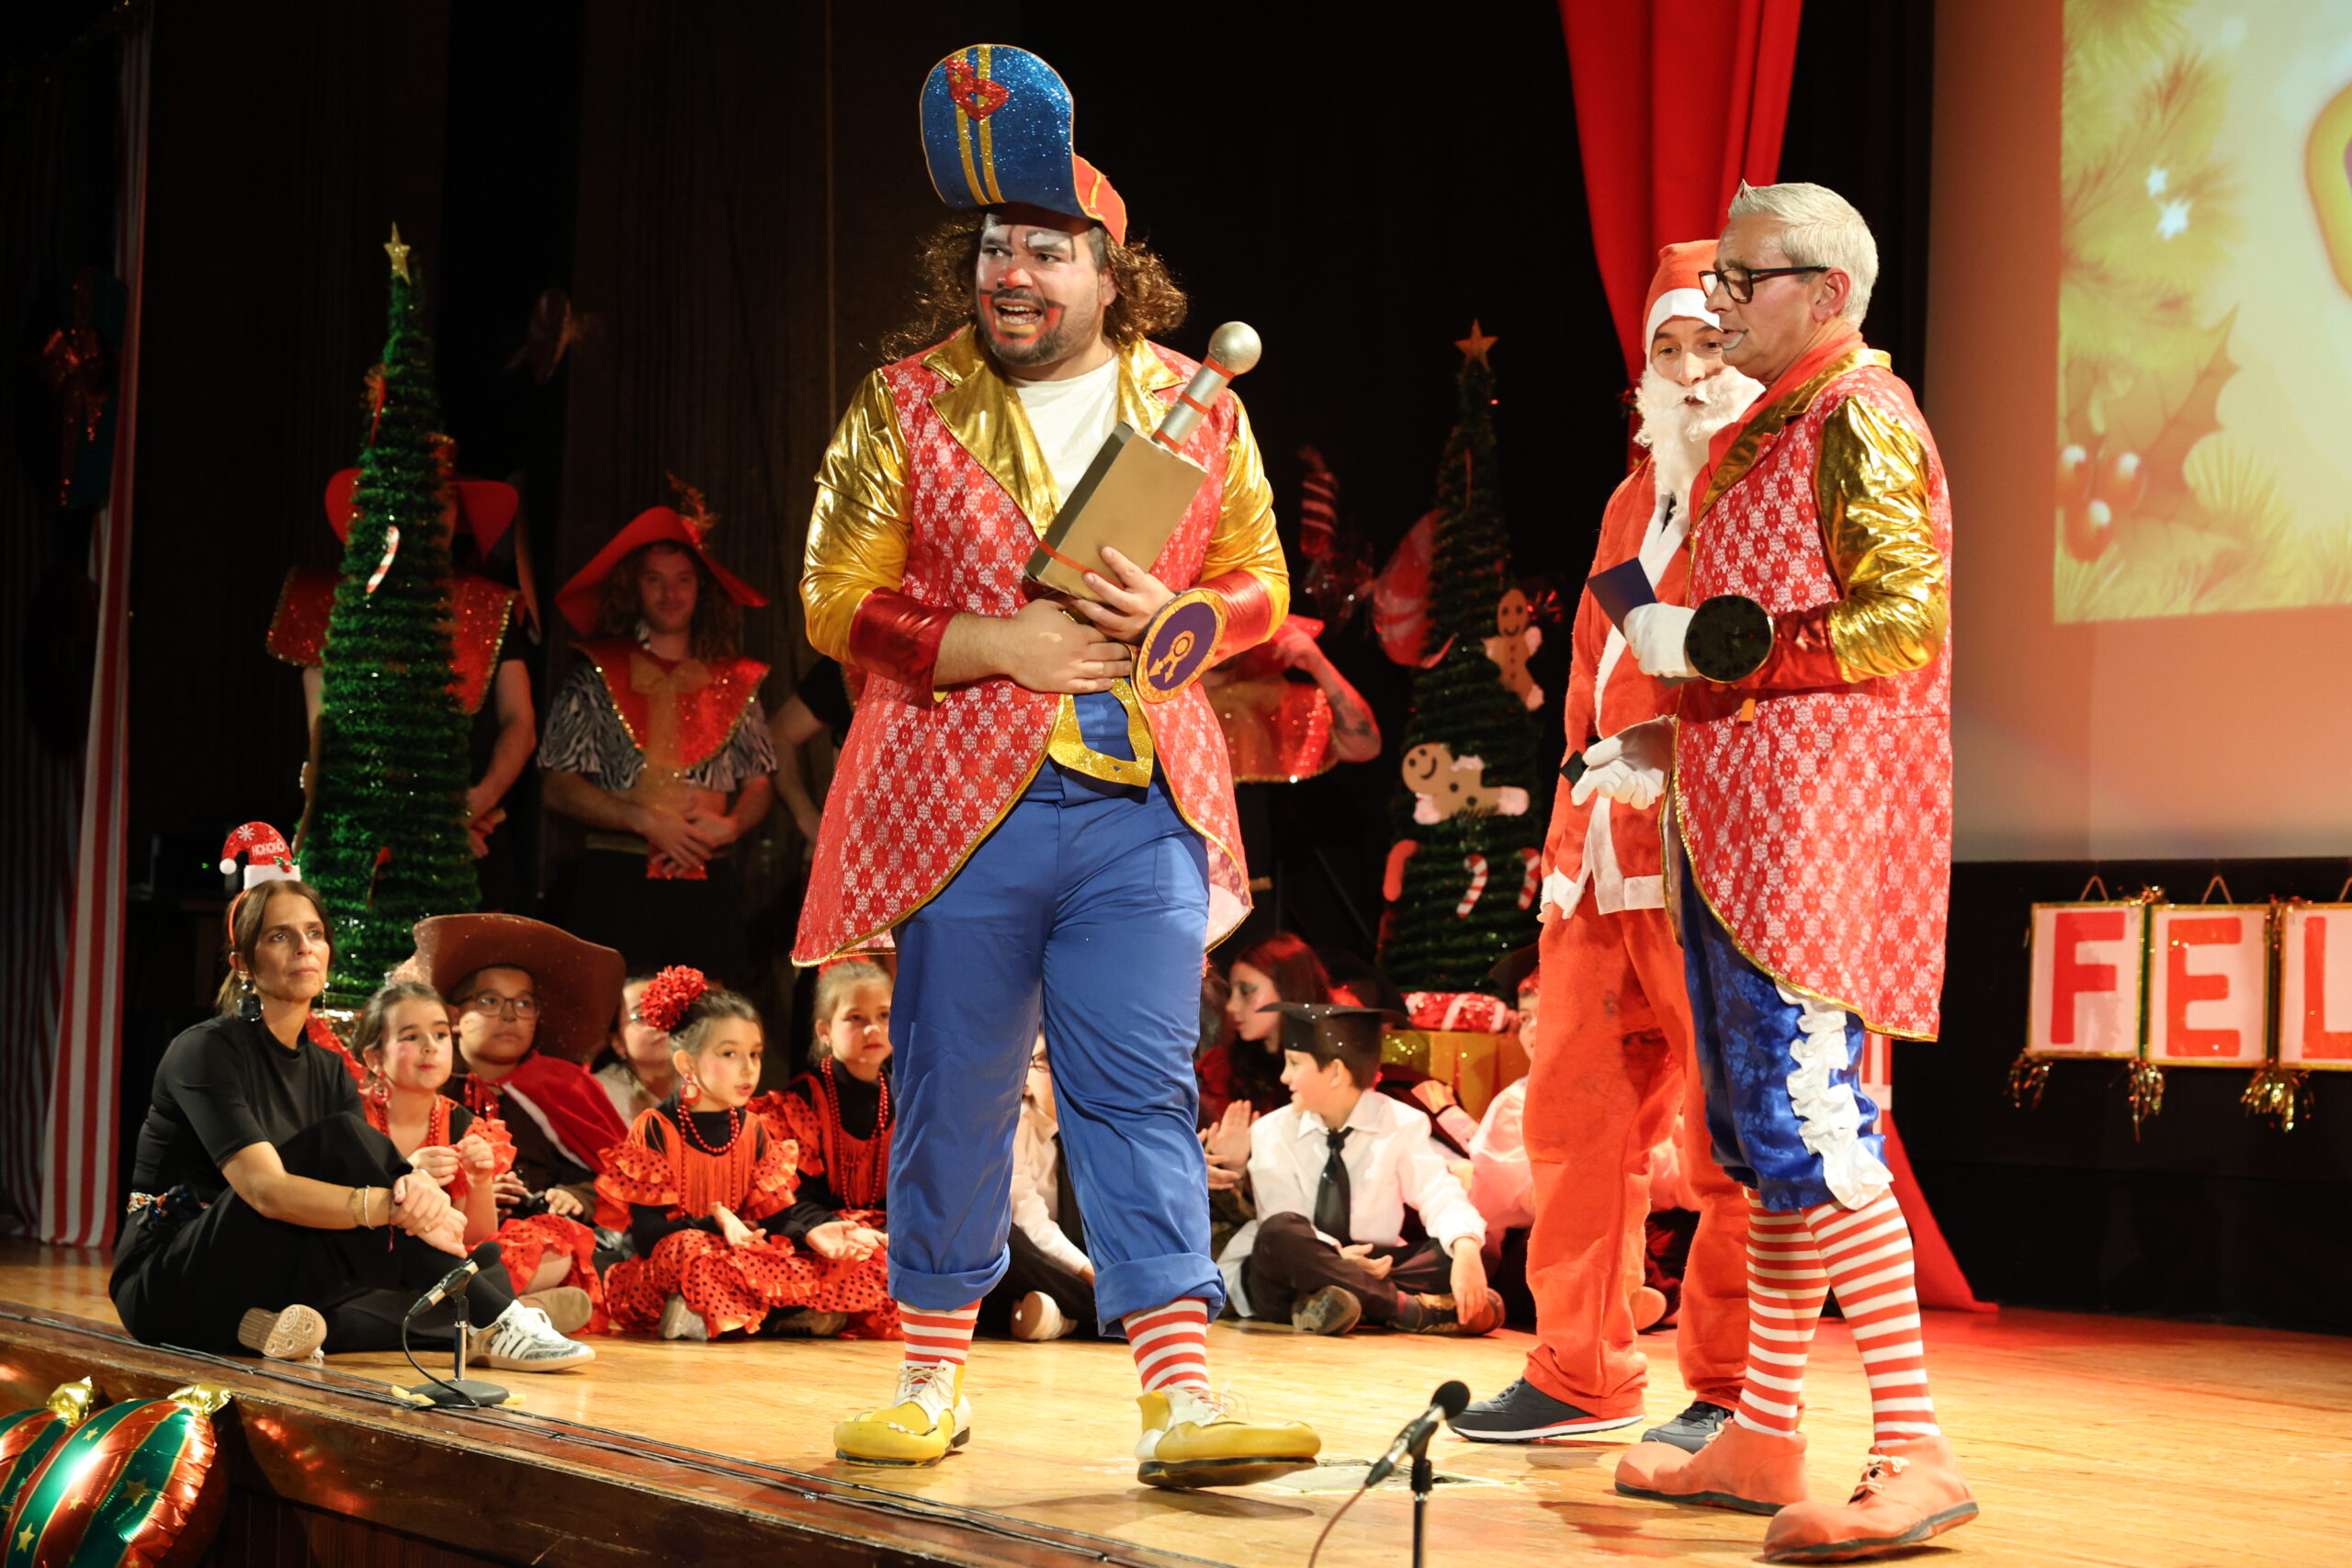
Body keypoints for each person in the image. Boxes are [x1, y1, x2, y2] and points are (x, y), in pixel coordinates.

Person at [797, 44, 1317, 1484]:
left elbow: (1263, 582)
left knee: (1139, 1088)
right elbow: (834, 599)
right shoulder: (904, 403)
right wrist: (995, 642)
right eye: (991, 249)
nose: (1010, 274)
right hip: (960, 806)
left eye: (1043, 250)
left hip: (1140, 802)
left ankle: (1180, 1399)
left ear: (1108, 271)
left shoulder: (1198, 406)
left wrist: (1188, 616)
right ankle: (928, 1380)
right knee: (954, 1088)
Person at [1597, 184, 1973, 1560]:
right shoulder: (1778, 420)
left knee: (1816, 1123)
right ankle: (1763, 1424)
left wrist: (1713, 648)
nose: (1715, 303)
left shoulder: (1858, 413)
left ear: (1825, 292)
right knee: (1764, 1142)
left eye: (1741, 280)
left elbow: (1901, 618)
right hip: (1741, 823)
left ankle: (1915, 1448)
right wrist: (1681, 711)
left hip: (1809, 841)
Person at [1452, 243, 1758, 1450]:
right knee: (1575, 1123)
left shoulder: (1771, 486)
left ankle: (1731, 1387)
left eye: (1709, 345)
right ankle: (1579, 1370)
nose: (1686, 371)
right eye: (1665, 348)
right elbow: (1591, 676)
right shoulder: (1632, 499)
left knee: (1732, 1136)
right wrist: (1567, 837)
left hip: (1708, 856)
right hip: (1600, 859)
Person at [111, 833, 592, 1372]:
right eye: (280, 936)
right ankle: (493, 1315)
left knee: (428, 1266)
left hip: (267, 1272)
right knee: (341, 1147)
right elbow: (266, 1191)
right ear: (243, 963)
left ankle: (468, 1317)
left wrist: (408, 1188)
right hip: (170, 1278)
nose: (304, 947)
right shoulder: (205, 1050)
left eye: (314, 933)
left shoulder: (327, 1069)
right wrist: (397, 1203)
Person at [269, 450, 537, 906]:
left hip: (473, 843)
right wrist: (421, 827)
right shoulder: (331, 607)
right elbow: (328, 743)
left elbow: (521, 725)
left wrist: (473, 805)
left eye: (443, 501)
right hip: (368, 845)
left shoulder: (491, 608)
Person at [539, 482, 775, 983]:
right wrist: (645, 820)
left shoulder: (735, 680)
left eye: (683, 580)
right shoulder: (594, 675)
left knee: (714, 1016)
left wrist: (732, 825)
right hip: (617, 876)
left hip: (709, 876)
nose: (671, 594)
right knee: (621, 1014)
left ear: (701, 588)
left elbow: (759, 782)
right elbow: (557, 786)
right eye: (655, 580)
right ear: (634, 587)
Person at [600, 968, 890, 1338]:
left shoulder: (753, 1127)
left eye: (754, 1054)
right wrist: (715, 1222)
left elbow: (777, 1214)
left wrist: (814, 1231)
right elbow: (648, 1237)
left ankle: (736, 1316)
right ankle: (758, 1315)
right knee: (693, 1250)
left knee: (863, 1261)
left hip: (739, 1258)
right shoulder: (655, 1127)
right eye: (730, 1054)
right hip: (678, 1260)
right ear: (687, 1064)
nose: (748, 1069)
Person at [1218, 1004, 1500, 1337]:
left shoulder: (1403, 1123)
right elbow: (1282, 1214)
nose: (1284, 1077)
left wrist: (1465, 1247)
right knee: (1279, 1233)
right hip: (1301, 1262)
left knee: (1477, 1245)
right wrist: (1336, 1258)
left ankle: (1332, 1303)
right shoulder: (1271, 1131)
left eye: (1294, 1063)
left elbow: (1436, 1191)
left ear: (1336, 1072)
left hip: (1373, 1262)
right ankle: (1408, 1310)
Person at [351, 979, 603, 1334]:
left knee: (553, 1249)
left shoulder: (460, 1122)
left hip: (440, 1263)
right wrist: (406, 1174)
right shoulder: (354, 1114)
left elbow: (477, 1234)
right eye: (411, 1037)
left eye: (440, 1035)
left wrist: (479, 1180)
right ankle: (508, 1316)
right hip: (369, 1256)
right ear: (375, 1057)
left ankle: (475, 1317)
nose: (430, 1047)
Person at [413, 914, 633, 1238]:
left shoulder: (565, 1086)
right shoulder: (428, 1086)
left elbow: (616, 1174)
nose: (509, 1015)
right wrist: (474, 1194)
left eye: (524, 1003)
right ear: (454, 1016)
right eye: (490, 1001)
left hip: (547, 1238)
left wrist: (577, 1197)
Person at [751, 958, 898, 1336]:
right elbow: (784, 1196)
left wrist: (890, 1233)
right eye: (855, 1018)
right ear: (824, 1031)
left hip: (881, 1235)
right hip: (820, 1236)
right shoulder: (801, 1100)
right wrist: (832, 1227)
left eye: (884, 1015)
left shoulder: (903, 1096)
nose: (873, 1028)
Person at [978, 1038, 1101, 1340]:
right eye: (1045, 1060)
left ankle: (1064, 1319)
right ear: (1023, 1084)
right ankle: (1108, 1312)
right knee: (1000, 1237)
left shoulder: (1097, 1128)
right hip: (1031, 1255)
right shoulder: (1012, 1126)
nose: (1062, 1068)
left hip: (1075, 1251)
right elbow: (1032, 1223)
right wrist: (1090, 1274)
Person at [1197, 933, 1333, 1124]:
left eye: (1246, 991)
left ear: (1288, 990)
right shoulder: (1222, 1068)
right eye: (1232, 991)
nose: (1231, 1006)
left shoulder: (1333, 1068)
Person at [596, 974, 679, 1126]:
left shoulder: (709, 1071)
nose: (658, 1022)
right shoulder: (601, 1096)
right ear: (617, 1043)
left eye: (665, 1009)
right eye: (641, 1016)